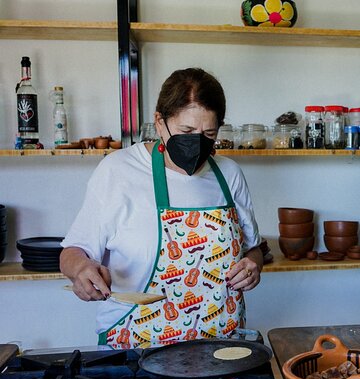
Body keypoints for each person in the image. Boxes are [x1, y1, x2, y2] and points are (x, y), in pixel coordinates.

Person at [60, 68, 263, 348]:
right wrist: (81, 269)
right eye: (186, 131)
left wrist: (254, 266)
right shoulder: (118, 171)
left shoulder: (229, 174)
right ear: (159, 122)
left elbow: (253, 249)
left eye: (208, 133)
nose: (197, 142)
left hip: (221, 349)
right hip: (135, 350)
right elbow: (72, 252)